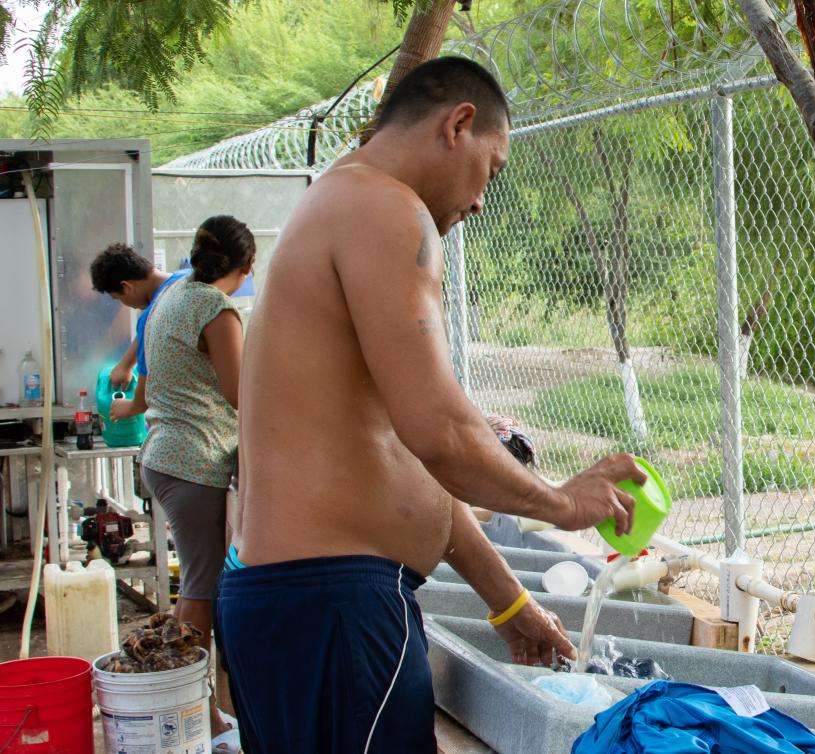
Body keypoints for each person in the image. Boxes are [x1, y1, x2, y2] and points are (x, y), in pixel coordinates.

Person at [219, 56, 643, 754]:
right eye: (492, 170)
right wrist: (563, 503)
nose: (481, 202)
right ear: (460, 125)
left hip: (296, 602)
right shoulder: (387, 206)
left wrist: (509, 601)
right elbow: (441, 433)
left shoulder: (339, 203)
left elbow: (404, 456)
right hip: (333, 606)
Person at [140, 215, 253, 751]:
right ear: (247, 267)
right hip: (194, 465)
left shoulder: (174, 294)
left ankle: (193, 705)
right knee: (200, 593)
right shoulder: (215, 307)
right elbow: (239, 391)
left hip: (164, 454)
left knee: (198, 587)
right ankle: (198, 714)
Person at [88, 244, 189, 418]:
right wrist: (126, 365)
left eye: (118, 298)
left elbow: (143, 397)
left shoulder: (151, 315)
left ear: (126, 287)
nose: (123, 303)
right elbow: (144, 334)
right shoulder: (186, 278)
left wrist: (128, 407)